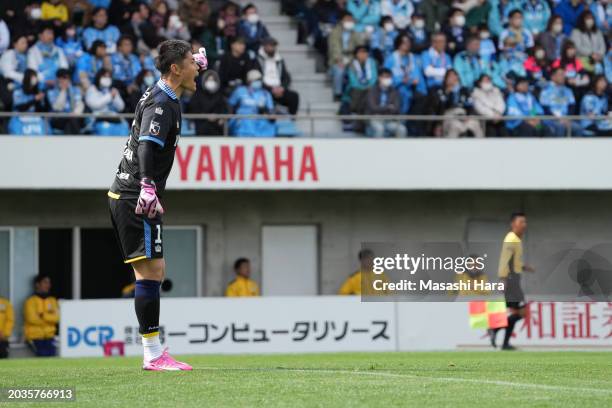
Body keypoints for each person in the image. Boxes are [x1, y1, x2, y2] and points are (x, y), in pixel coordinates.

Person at [108, 40, 207, 370]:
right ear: (176, 69)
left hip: (129, 192)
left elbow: (183, 75)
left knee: (151, 270)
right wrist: (148, 188)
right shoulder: (162, 105)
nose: (198, 66)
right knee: (151, 271)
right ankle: (152, 354)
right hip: (137, 194)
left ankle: (153, 352)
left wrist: (194, 67)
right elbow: (147, 147)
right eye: (192, 63)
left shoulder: (166, 90)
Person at [490, 212, 535, 350]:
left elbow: (513, 261)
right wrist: (503, 279)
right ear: (513, 223)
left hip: (513, 278)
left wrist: (524, 267)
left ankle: (504, 342)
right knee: (522, 312)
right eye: (521, 222)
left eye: (525, 222)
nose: (524, 225)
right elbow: (505, 260)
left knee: (517, 312)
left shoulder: (516, 240)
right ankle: (495, 329)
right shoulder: (511, 239)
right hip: (511, 280)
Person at [430, 69, 483, 138]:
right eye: (450, 76)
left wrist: (468, 116)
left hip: (464, 115)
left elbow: (470, 105)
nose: (453, 78)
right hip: (449, 115)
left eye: (455, 76)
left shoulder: (464, 90)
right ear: (446, 79)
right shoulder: (441, 91)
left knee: (475, 124)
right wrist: (449, 91)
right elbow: (440, 107)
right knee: (455, 126)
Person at [255, 37, 299, 115]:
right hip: (265, 89)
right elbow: (256, 77)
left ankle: (291, 119)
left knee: (294, 96)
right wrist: (271, 89)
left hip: (279, 88)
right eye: (269, 46)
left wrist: (282, 87)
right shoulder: (257, 60)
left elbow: (286, 76)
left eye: (273, 46)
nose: (271, 48)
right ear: (264, 46)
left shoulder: (280, 60)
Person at [384, 34, 426, 115]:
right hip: (396, 87)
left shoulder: (413, 57)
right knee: (403, 93)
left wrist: (414, 80)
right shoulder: (391, 58)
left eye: (408, 42)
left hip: (412, 87)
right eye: (404, 42)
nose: (407, 44)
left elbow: (416, 74)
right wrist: (400, 80)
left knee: (422, 95)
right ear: (398, 44)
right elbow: (386, 75)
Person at [228, 69, 275, 137]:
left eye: (259, 80)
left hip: (260, 123)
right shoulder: (240, 91)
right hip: (242, 123)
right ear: (249, 81)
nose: (258, 82)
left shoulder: (265, 94)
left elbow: (271, 110)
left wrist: (264, 110)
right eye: (256, 80)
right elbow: (230, 105)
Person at [328, 12, 364, 100]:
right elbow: (334, 48)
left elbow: (360, 47)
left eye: (351, 20)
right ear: (342, 21)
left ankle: (357, 94)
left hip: (352, 59)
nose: (350, 22)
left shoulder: (355, 33)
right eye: (347, 20)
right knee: (339, 70)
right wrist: (339, 60)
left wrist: (351, 59)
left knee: (357, 69)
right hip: (337, 60)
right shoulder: (335, 32)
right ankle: (338, 94)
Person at [539, 67, 581, 137]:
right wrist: (558, 119)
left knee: (578, 128)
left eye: (564, 74)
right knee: (560, 127)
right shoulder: (546, 90)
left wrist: (567, 118)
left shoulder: (568, 90)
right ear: (553, 77)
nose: (563, 77)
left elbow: (572, 106)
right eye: (560, 75)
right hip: (551, 120)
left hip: (566, 119)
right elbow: (545, 108)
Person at [24, 275, 59, 357]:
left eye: (49, 283)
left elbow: (57, 318)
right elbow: (31, 319)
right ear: (37, 284)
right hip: (35, 337)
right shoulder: (30, 301)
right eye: (45, 282)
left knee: (52, 359)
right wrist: (49, 320)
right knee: (42, 356)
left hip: (49, 336)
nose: (48, 285)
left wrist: (43, 315)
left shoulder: (52, 300)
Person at [85, 68, 128, 135]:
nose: (107, 79)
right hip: (98, 117)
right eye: (104, 76)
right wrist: (110, 96)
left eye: (108, 77)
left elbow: (121, 107)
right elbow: (94, 105)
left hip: (113, 117)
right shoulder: (92, 89)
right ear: (99, 77)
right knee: (105, 127)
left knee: (125, 126)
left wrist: (115, 98)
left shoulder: (113, 90)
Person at [365, 68, 406, 137]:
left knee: (402, 129)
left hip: (389, 120)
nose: (387, 79)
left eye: (389, 77)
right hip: (375, 119)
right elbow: (373, 108)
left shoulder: (394, 92)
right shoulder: (372, 91)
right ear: (379, 78)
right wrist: (388, 107)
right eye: (385, 77)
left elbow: (396, 108)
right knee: (379, 129)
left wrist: (383, 109)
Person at [186, 69, 228, 135]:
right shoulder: (197, 95)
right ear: (204, 81)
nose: (211, 82)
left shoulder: (220, 96)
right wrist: (206, 116)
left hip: (217, 130)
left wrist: (219, 117)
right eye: (209, 80)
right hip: (201, 128)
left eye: (213, 80)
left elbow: (225, 110)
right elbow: (193, 110)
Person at [27, 23, 68, 89]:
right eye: (48, 33)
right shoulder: (32, 51)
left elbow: (64, 66)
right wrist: (44, 80)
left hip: (59, 83)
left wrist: (58, 80)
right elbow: (32, 71)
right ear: (40, 36)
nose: (51, 36)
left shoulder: (58, 50)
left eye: (52, 33)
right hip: (41, 84)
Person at [46, 68, 84, 134]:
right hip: (57, 118)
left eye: (66, 78)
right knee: (71, 120)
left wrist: (74, 113)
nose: (64, 80)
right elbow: (57, 107)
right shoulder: (52, 92)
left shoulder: (75, 90)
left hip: (73, 117)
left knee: (71, 121)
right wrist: (63, 91)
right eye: (62, 78)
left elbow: (79, 104)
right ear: (58, 79)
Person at [344, 45, 378, 115]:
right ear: (356, 54)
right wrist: (363, 87)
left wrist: (369, 86)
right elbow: (353, 81)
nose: (363, 54)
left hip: (369, 87)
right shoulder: (352, 64)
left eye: (365, 52)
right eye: (360, 52)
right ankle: (355, 111)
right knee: (358, 91)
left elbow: (374, 78)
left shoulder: (372, 63)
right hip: (356, 88)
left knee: (371, 91)